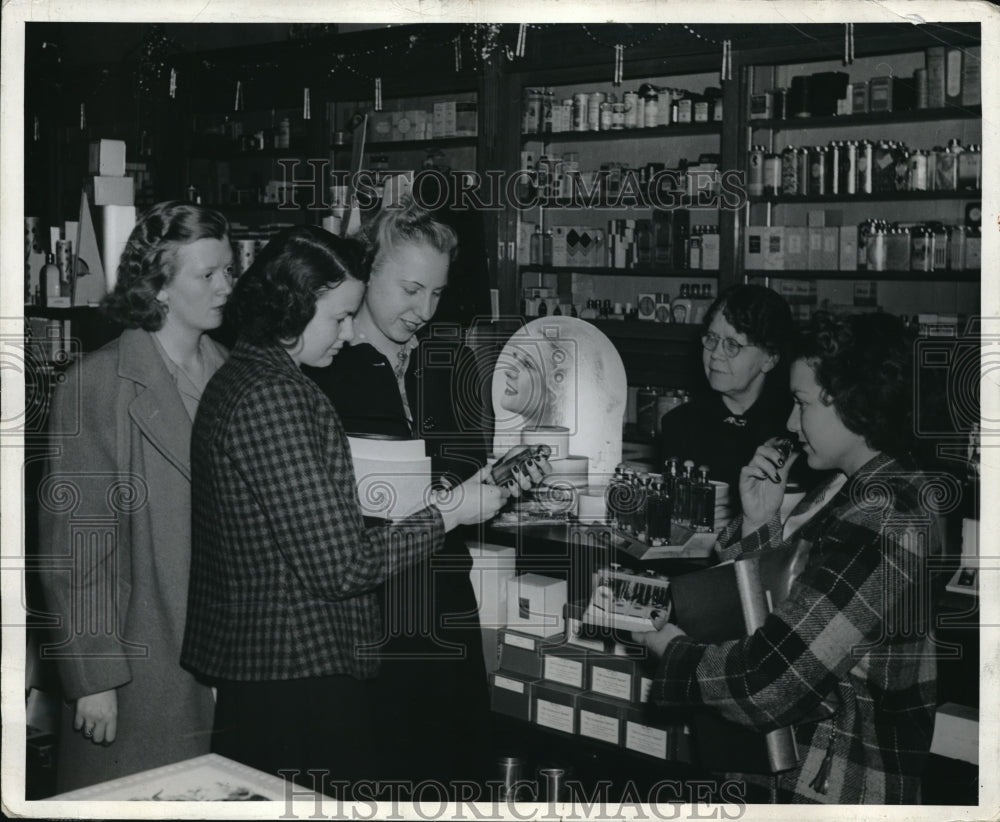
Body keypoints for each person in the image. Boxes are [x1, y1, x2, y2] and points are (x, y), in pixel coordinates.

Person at [180, 224, 524, 797]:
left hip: (369, 633)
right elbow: (339, 565)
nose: (347, 330)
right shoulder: (278, 393)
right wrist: (450, 512)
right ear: (299, 305)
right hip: (302, 659)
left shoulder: (252, 378)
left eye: (437, 295)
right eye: (340, 316)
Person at [638, 312, 940, 803]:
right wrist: (760, 524)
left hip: (838, 784)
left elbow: (770, 681)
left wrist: (674, 656)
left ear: (851, 404)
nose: (789, 422)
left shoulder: (884, 514)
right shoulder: (853, 488)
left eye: (801, 404)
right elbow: (781, 612)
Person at [305, 201, 547, 791]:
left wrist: (497, 482)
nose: (423, 311)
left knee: (454, 772)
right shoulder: (321, 367)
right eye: (411, 289)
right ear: (366, 273)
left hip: (441, 599)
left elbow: (468, 459)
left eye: (436, 294)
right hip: (362, 610)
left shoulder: (449, 359)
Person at [36, 201, 233, 791]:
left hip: (219, 652)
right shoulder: (97, 384)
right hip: (140, 664)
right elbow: (78, 547)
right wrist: (94, 676)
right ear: (160, 288)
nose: (227, 286)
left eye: (230, 270)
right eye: (208, 275)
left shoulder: (229, 370)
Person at [658, 284, 803, 507]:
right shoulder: (678, 424)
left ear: (769, 359)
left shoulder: (793, 431)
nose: (715, 354)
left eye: (732, 345)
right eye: (712, 338)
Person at [491, 315, 628, 476]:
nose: (509, 371)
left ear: (557, 387)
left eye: (528, 364)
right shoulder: (510, 456)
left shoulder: (579, 462)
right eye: (515, 358)